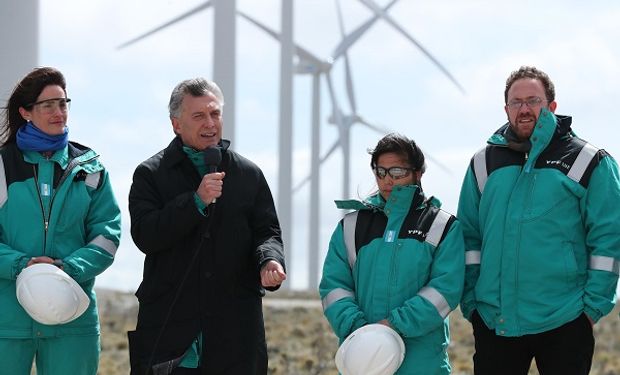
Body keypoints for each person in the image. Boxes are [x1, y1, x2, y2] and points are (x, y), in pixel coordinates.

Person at [457, 66, 620, 375]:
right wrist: (472, 303)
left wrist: (590, 309)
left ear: (552, 107)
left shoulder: (587, 161)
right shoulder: (483, 163)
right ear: (506, 109)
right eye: (516, 102)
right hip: (495, 320)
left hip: (565, 318)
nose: (524, 109)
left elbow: (610, 238)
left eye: (533, 100)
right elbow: (468, 236)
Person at [128, 77, 286, 375]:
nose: (210, 123)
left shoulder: (249, 174)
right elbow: (145, 235)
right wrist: (195, 202)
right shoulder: (150, 174)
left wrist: (270, 259)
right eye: (198, 116)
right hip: (171, 335)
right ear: (176, 124)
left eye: (215, 114)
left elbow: (268, 232)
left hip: (235, 335)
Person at [0, 66, 121, 374]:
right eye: (48, 105)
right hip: (6, 321)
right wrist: (22, 265)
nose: (59, 112)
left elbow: (107, 234)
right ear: (26, 112)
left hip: (72, 317)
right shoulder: (2, 166)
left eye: (63, 103)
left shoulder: (91, 169)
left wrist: (66, 270)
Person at [319, 133, 465, 374]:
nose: (387, 180)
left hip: (422, 365)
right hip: (365, 360)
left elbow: (445, 290)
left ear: (418, 173)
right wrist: (362, 330)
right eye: (380, 172)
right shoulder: (351, 227)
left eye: (397, 172)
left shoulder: (442, 227)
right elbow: (333, 287)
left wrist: (393, 326)